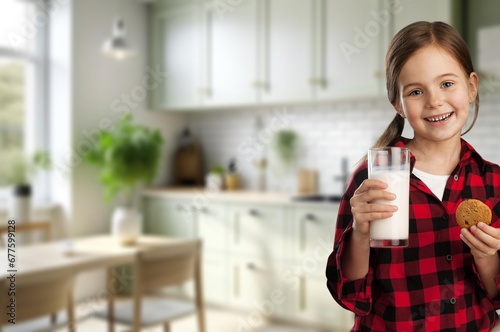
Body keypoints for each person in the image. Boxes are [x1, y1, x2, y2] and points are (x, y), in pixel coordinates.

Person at [326, 21, 500, 331]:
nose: (434, 100)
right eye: (416, 91)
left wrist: (486, 257)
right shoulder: (373, 179)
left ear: (471, 87)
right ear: (398, 104)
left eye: (447, 84)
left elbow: (497, 295)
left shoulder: (493, 182)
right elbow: (350, 295)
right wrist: (360, 234)